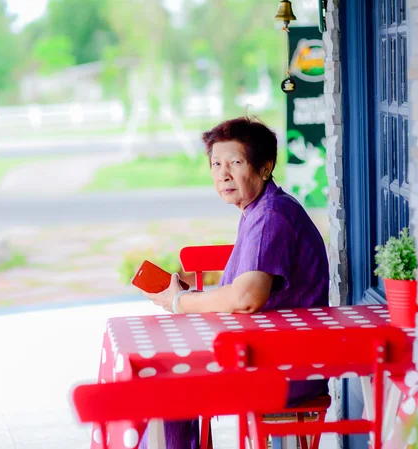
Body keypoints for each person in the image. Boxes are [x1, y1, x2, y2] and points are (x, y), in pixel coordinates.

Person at [139, 116, 330, 449]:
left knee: (164, 386)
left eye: (235, 162)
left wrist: (179, 303)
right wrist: (193, 297)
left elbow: (246, 297)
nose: (222, 174)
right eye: (216, 164)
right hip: (277, 356)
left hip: (283, 370)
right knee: (166, 377)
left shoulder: (271, 215)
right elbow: (243, 292)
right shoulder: (259, 210)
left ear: (265, 167)